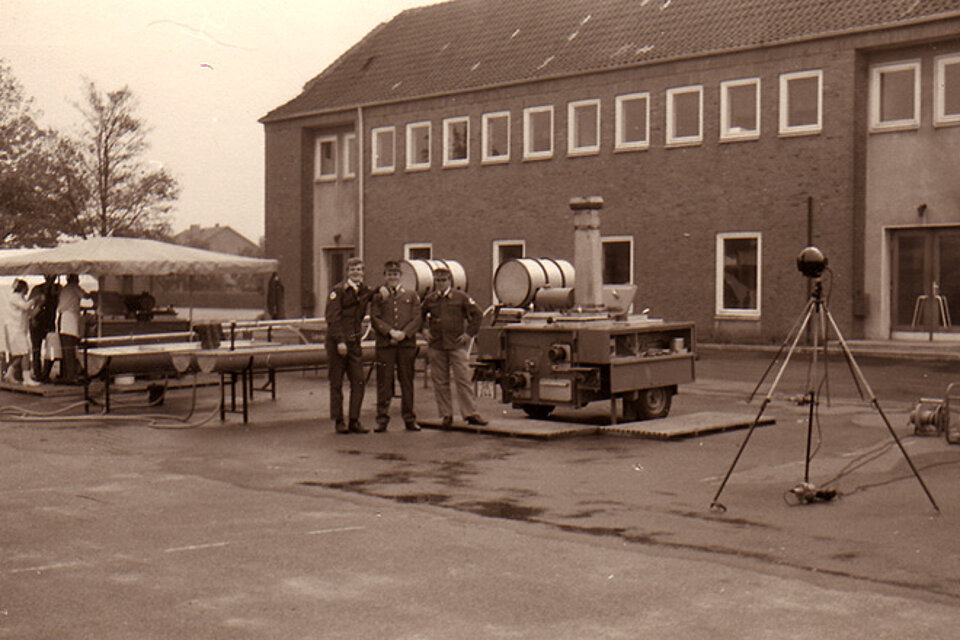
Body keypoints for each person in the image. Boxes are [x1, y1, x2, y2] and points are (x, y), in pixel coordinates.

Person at [421, 267, 487, 427]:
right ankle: (446, 415)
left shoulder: (460, 297)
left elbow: (478, 314)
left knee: (463, 379)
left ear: (450, 281)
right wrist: (423, 330)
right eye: (437, 281)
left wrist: (468, 334)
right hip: (437, 345)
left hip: (456, 344)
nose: (440, 284)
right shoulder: (430, 299)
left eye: (443, 280)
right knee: (440, 381)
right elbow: (419, 315)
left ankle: (470, 413)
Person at [370, 260, 422, 432]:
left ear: (401, 276)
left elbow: (417, 319)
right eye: (389, 274)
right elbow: (375, 318)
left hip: (406, 345)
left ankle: (409, 418)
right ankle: (382, 418)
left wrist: (404, 333)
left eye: (395, 274)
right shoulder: (379, 297)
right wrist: (390, 332)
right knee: (384, 382)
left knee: (406, 381)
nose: (392, 277)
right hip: (386, 345)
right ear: (385, 276)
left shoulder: (411, 295)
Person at [325, 257, 373, 433]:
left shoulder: (363, 291)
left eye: (359, 270)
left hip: (354, 343)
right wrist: (340, 341)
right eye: (353, 270)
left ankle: (354, 419)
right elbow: (332, 318)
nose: (357, 273)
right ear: (347, 272)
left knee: (358, 381)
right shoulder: (338, 291)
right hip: (338, 344)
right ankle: (339, 421)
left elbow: (374, 295)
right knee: (336, 383)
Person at [4, 279, 39, 386]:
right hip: (15, 329)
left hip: (20, 330)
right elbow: (26, 306)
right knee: (25, 353)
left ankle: (9, 374)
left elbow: (29, 314)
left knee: (20, 354)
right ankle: (26, 378)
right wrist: (35, 299)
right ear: (23, 288)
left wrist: (39, 305)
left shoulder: (21, 299)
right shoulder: (15, 298)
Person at [56, 273, 89, 384]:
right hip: (70, 319)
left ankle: (67, 374)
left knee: (66, 349)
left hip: (64, 318)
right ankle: (71, 376)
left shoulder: (65, 289)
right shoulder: (74, 287)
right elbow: (85, 296)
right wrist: (95, 294)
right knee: (70, 349)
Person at [29, 275, 60, 382]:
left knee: (51, 348)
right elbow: (31, 304)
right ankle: (38, 373)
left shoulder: (57, 289)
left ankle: (46, 373)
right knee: (36, 349)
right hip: (38, 321)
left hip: (50, 321)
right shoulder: (38, 289)